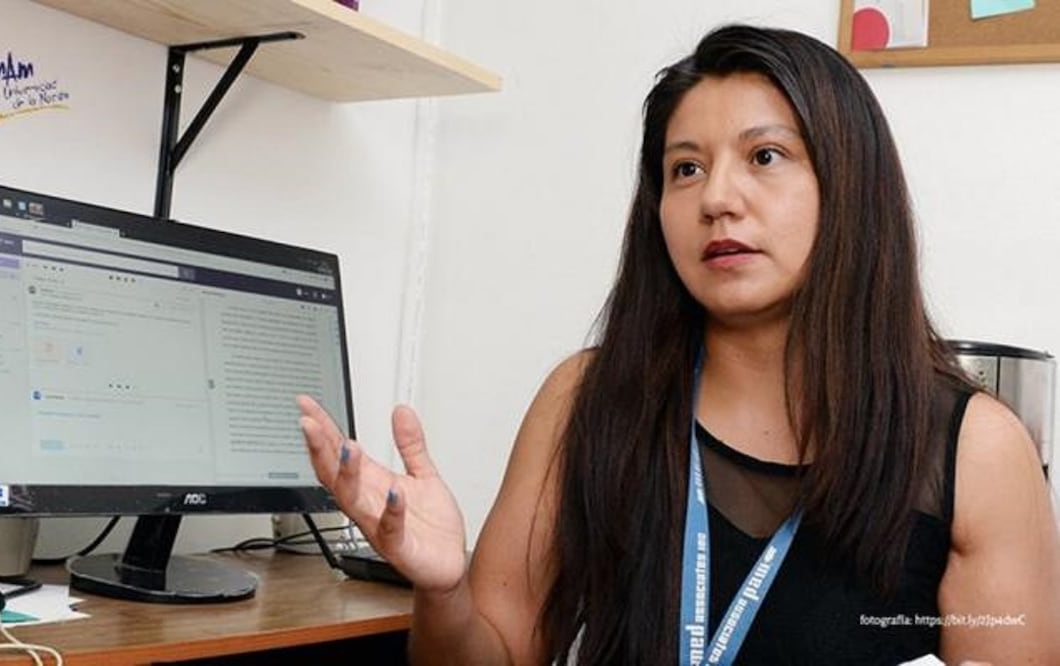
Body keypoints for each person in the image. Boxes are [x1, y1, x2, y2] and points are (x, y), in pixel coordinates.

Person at [298, 24, 1060, 665]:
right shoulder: (587, 400)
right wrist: (444, 591)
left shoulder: (972, 451)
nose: (718, 199)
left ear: (850, 186)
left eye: (765, 157)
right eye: (685, 169)